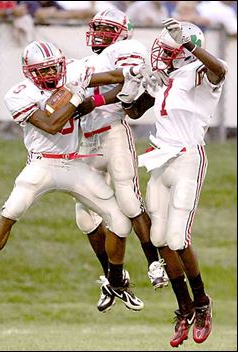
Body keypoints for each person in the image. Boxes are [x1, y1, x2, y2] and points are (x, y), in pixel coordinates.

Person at [0, 40, 144, 313]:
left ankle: (116, 281)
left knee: (120, 222)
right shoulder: (20, 93)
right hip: (42, 164)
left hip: (74, 163)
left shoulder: (71, 75)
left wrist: (134, 72)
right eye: (43, 71)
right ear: (30, 73)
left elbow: (114, 76)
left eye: (54, 68)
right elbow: (52, 125)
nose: (51, 74)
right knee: (11, 211)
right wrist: (78, 96)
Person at [117, 18, 227, 347]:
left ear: (184, 52)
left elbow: (219, 69)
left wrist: (190, 46)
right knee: (160, 238)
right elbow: (134, 111)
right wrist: (133, 84)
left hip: (187, 157)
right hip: (160, 159)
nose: (161, 55)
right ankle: (184, 308)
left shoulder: (198, 73)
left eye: (169, 50)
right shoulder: (164, 78)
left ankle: (203, 304)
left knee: (178, 238)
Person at [72, 8, 170, 314]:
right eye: (97, 27)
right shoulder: (86, 62)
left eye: (106, 28)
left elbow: (128, 88)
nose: (99, 33)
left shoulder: (126, 48)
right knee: (86, 217)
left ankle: (155, 262)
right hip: (86, 140)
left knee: (129, 200)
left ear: (121, 33)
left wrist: (95, 100)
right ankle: (115, 278)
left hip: (113, 132)